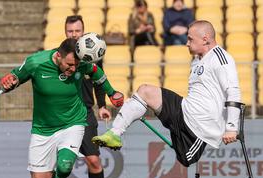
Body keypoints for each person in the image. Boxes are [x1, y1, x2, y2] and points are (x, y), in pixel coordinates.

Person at [0, 38, 124, 178]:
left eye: (75, 65)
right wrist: (9, 82)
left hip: (73, 123)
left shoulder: (81, 63)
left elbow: (96, 73)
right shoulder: (35, 62)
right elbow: (14, 77)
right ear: (58, 56)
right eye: (69, 65)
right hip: (42, 129)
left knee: (65, 166)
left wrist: (111, 93)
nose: (73, 69)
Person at [92, 20, 241, 168]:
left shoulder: (221, 59)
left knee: (185, 158)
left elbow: (233, 91)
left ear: (205, 39)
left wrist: (231, 128)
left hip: (201, 127)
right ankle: (114, 133)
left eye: (190, 39)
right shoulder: (197, 60)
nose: (187, 44)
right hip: (185, 110)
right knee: (144, 91)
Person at [31, 15, 123, 178]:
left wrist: (102, 106)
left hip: (85, 113)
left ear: (83, 32)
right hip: (59, 117)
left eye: (77, 31)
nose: (74, 34)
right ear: (66, 33)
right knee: (52, 163)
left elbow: (100, 80)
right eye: (70, 31)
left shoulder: (90, 56)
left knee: (94, 161)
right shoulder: (60, 56)